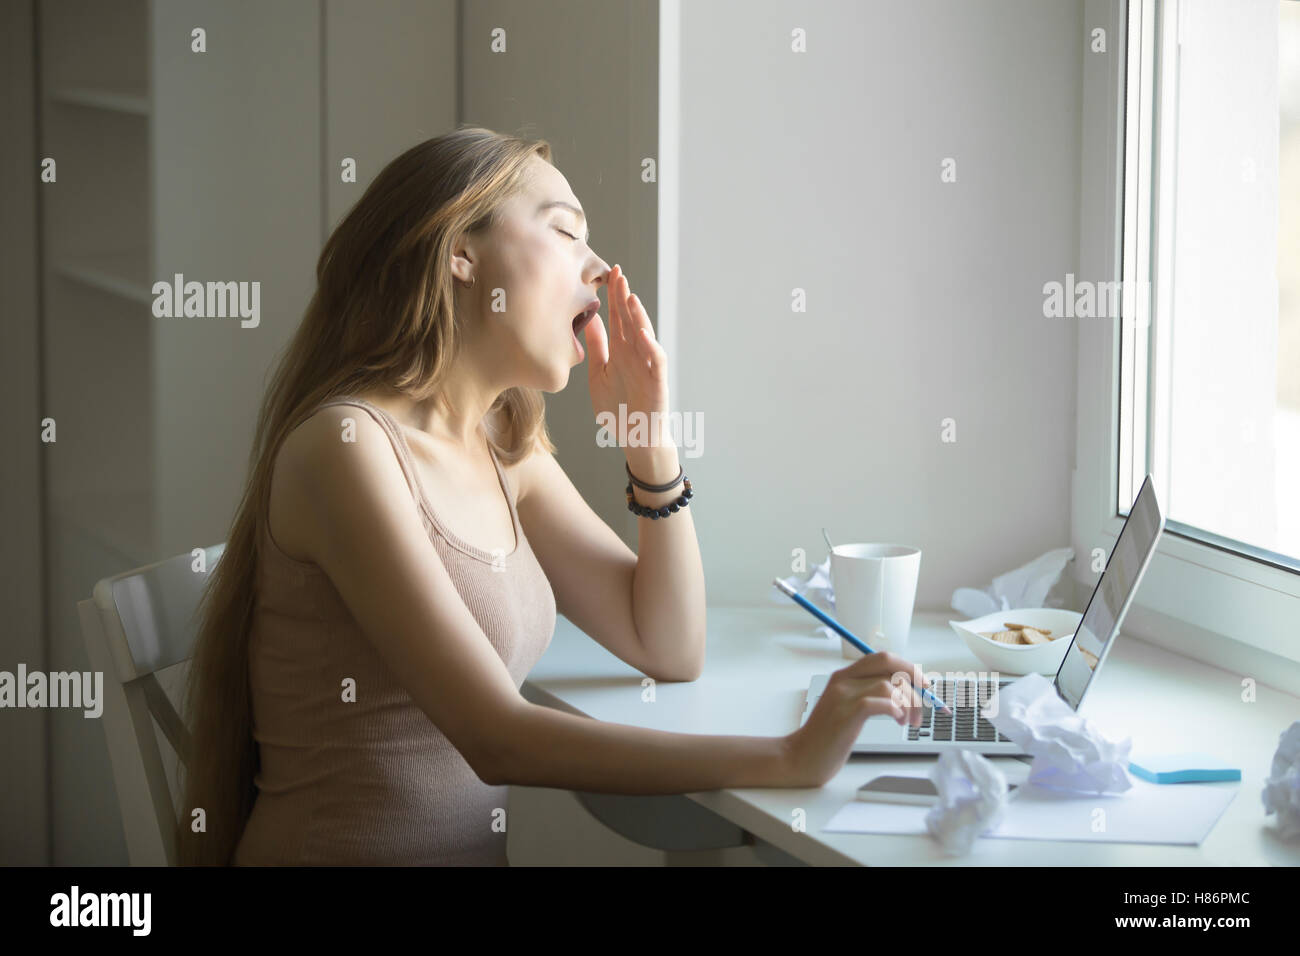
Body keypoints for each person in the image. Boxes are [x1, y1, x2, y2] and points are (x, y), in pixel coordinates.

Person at [177, 125, 931, 866]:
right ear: (461, 256)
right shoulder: (346, 450)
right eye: (566, 232)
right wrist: (789, 757)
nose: (600, 267)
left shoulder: (504, 443)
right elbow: (495, 737)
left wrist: (649, 441)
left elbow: (668, 646)